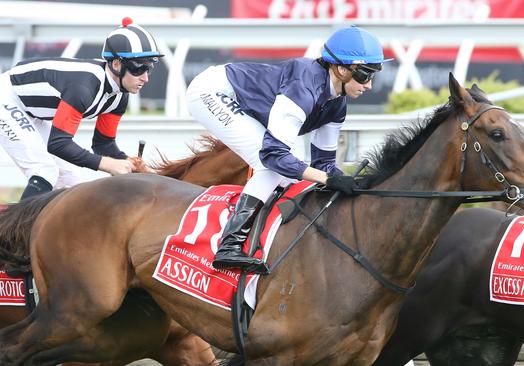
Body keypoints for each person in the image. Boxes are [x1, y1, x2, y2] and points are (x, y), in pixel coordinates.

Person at [187, 25, 390, 273]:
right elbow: (274, 156)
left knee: (287, 174)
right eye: (365, 75)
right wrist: (328, 178)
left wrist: (347, 182)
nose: (369, 85)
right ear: (341, 69)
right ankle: (229, 245)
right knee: (270, 168)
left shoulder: (337, 105)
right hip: (211, 91)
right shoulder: (303, 89)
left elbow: (323, 163)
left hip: (240, 99)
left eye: (373, 75)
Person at [0, 17, 163, 201]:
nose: (145, 78)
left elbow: (103, 144)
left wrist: (128, 163)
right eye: (139, 68)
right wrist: (108, 164)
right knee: (44, 170)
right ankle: (13, 230)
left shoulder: (119, 95)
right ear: (116, 64)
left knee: (71, 182)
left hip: (33, 111)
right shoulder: (83, 87)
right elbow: (59, 144)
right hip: (7, 98)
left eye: (149, 68)